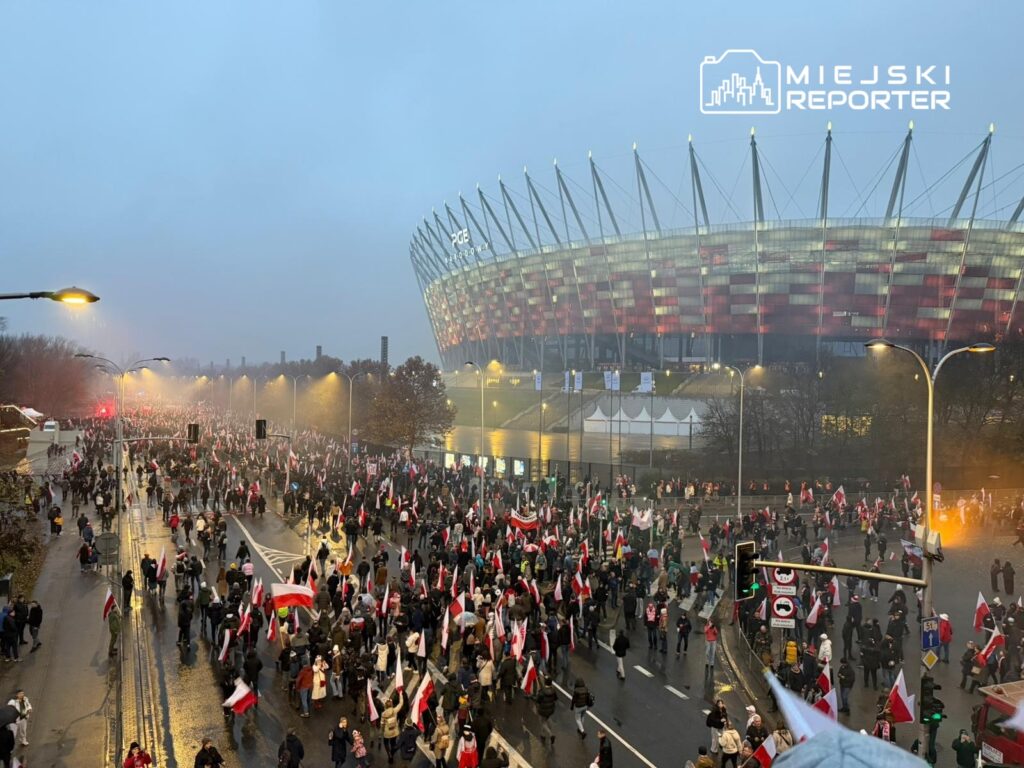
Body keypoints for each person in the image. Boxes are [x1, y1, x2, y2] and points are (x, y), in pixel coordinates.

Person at [536, 675, 558, 747]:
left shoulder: (542, 691)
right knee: (545, 720)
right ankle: (543, 735)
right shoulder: (553, 690)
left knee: (543, 723)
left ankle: (551, 734)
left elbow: (538, 701)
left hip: (543, 710)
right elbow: (556, 699)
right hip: (550, 709)